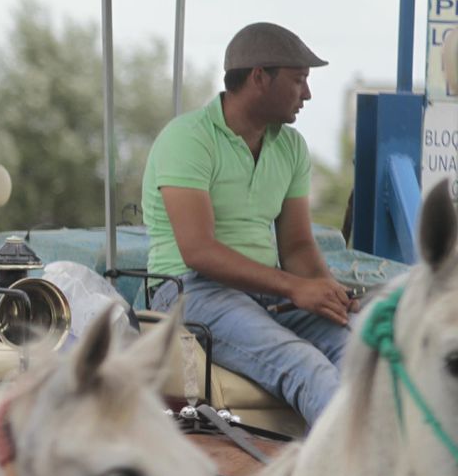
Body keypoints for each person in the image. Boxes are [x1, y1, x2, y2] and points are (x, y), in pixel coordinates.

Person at [141, 22, 357, 425]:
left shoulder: (291, 146)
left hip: (266, 292)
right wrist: (295, 287)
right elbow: (199, 252)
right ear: (259, 77)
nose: (307, 94)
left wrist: (328, 292)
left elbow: (297, 247)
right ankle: (348, 464)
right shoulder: (187, 138)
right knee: (306, 365)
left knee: (363, 347)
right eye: (299, 80)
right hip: (190, 290)